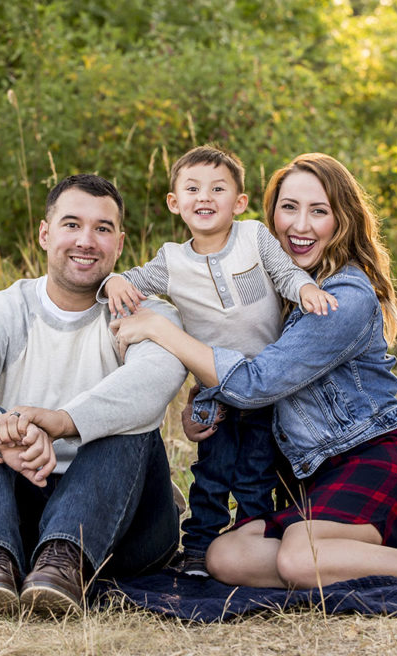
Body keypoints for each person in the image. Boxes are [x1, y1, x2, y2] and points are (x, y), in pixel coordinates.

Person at [110, 153, 397, 601]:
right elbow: (237, 367)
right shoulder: (275, 286)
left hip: (375, 464)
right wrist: (209, 404)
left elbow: (256, 383)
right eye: (289, 208)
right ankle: (354, 564)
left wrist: (158, 329)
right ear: (269, 217)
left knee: (297, 558)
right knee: (226, 557)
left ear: (342, 220)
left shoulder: (341, 296)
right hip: (318, 484)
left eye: (319, 211)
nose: (300, 226)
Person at [0, 174, 188, 618]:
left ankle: (65, 563)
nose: (86, 240)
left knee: (129, 418)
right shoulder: (2, 311)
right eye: (71, 224)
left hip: (127, 528)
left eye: (102, 229)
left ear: (119, 244)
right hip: (21, 517)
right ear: (45, 234)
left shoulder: (148, 313)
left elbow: (155, 379)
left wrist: (60, 421)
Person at [101, 145, 336, 576]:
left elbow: (285, 274)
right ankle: (199, 548)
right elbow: (130, 281)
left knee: (255, 472)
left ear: (239, 202)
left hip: (268, 385)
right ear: (175, 203)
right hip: (216, 388)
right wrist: (115, 279)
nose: (204, 197)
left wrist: (305, 290)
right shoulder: (171, 260)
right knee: (211, 473)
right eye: (192, 189)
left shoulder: (254, 237)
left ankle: (252, 541)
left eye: (217, 188)